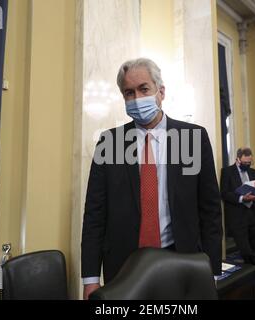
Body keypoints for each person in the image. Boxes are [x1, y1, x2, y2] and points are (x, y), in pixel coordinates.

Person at [81, 58, 222, 299]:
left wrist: (212, 271)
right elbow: (95, 215)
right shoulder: (109, 143)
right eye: (129, 93)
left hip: (182, 261)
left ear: (161, 91)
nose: (136, 98)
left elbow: (210, 210)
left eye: (143, 89)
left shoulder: (193, 139)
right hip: (123, 268)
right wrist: (90, 279)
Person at [220, 147, 255, 295]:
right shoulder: (227, 172)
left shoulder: (254, 173)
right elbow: (224, 193)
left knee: (254, 250)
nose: (248, 165)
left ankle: (251, 285)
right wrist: (242, 198)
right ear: (238, 159)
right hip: (237, 217)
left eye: (250, 162)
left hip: (253, 216)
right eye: (245, 162)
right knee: (245, 250)